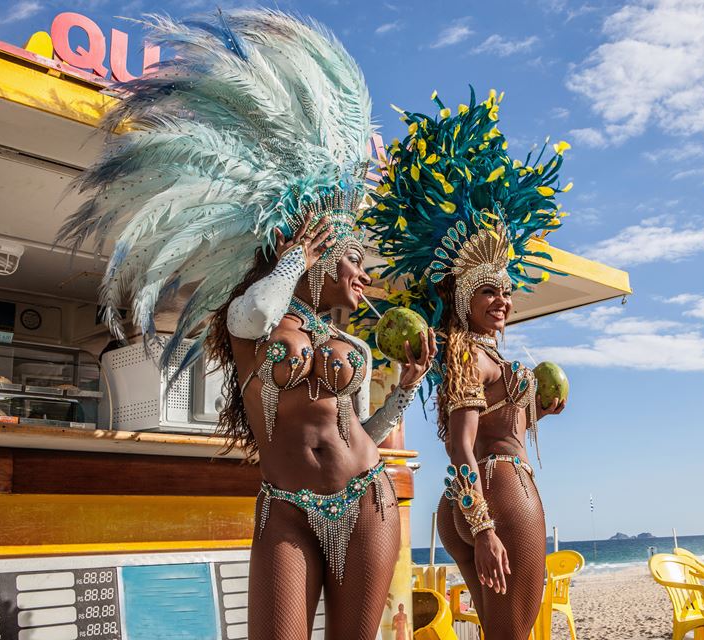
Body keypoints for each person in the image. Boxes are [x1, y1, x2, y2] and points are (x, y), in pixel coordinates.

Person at [56, 10, 434, 639]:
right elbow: (252, 314)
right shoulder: (254, 317)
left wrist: (402, 391)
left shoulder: (346, 342)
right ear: (317, 247)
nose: (363, 274)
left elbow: (359, 428)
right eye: (352, 259)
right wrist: (293, 258)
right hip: (286, 504)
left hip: (368, 495)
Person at [362, 89, 570, 639]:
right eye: (487, 290)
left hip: (484, 491)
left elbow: (492, 427)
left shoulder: (482, 351)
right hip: (496, 495)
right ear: (461, 297)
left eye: (506, 290)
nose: (502, 299)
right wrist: (483, 531)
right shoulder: (464, 351)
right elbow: (459, 446)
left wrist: (536, 413)